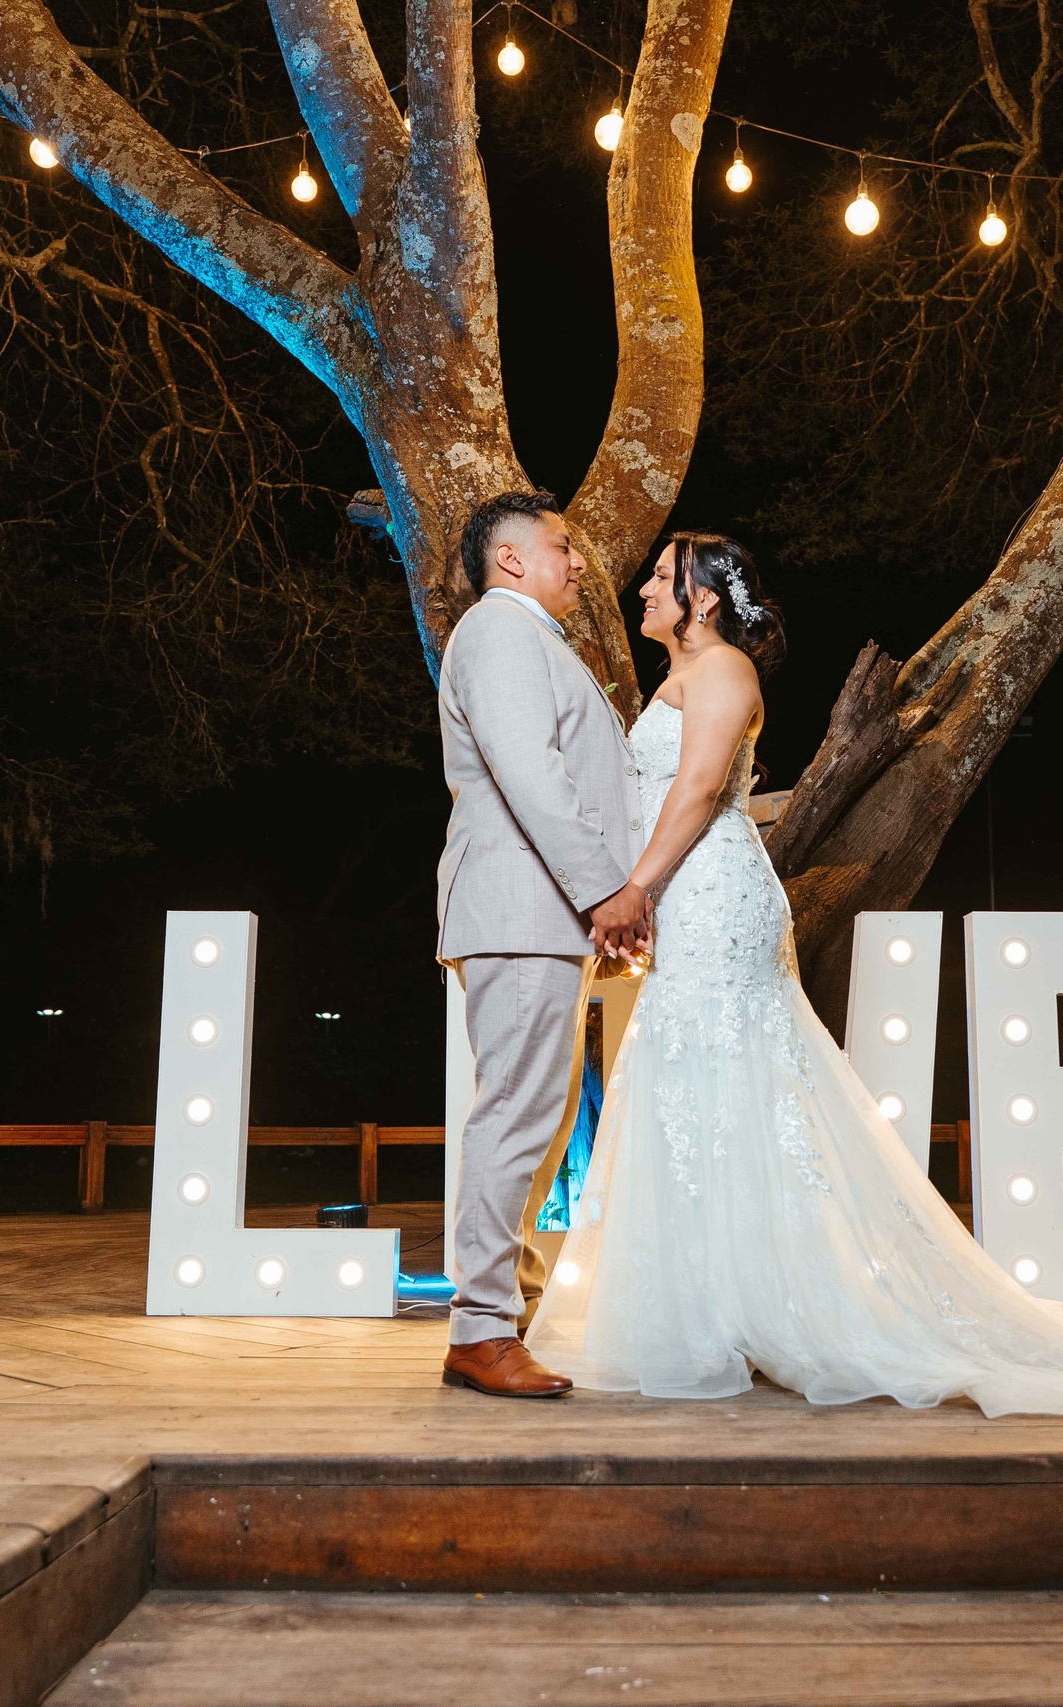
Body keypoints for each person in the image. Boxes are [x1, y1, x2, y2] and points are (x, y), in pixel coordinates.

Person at [524, 532, 1063, 1421]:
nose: (643, 586)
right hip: (687, 900)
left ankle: (775, 1309)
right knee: (699, 1096)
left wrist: (635, 889)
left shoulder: (724, 673)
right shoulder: (686, 675)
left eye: (661, 576)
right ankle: (713, 1307)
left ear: (704, 600)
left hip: (714, 899)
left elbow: (694, 790)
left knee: (729, 1082)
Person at [433, 491, 650, 1399]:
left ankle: (500, 1313)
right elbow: (532, 775)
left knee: (540, 1114)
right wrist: (604, 888)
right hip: (523, 908)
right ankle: (479, 1327)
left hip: (538, 913)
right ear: (513, 559)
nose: (579, 562)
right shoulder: (499, 633)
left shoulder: (531, 638)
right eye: (563, 547)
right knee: (518, 1111)